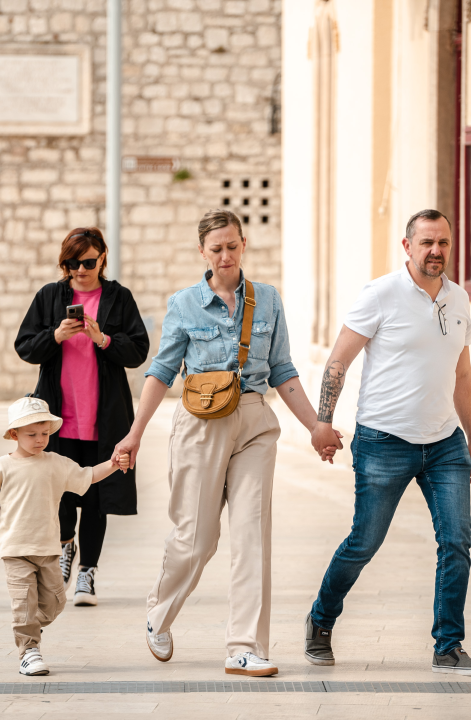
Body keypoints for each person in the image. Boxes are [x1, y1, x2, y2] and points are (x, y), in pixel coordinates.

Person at [112, 209, 335, 678]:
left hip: (255, 423)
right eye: (217, 249)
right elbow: (160, 372)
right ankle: (160, 611)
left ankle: (244, 646)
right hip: (200, 422)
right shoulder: (184, 304)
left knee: (252, 534)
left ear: (244, 244)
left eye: (233, 245)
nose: (226, 255)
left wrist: (316, 425)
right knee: (196, 538)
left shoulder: (267, 300)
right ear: (203, 252)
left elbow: (284, 370)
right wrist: (135, 433)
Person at [304, 209, 471, 676]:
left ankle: (448, 646)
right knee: (364, 542)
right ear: (407, 246)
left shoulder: (459, 299)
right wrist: (322, 423)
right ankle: (321, 619)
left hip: (444, 442)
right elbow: (337, 363)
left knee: (456, 542)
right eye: (427, 242)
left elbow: (463, 375)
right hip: (384, 441)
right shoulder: (381, 294)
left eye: (443, 243)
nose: (436, 251)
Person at [14, 227, 149, 606]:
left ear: (102, 258)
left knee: (95, 495)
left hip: (102, 417)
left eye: (88, 262)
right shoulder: (50, 297)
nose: (80, 270)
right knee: (57, 492)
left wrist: (102, 339)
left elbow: (138, 350)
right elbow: (24, 345)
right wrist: (55, 336)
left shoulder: (118, 298)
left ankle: (87, 572)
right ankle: (65, 546)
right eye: (72, 264)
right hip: (56, 418)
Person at [0, 397, 129, 676]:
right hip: (15, 550)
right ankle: (28, 650)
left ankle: (25, 625)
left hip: (48, 550)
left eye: (45, 434)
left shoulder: (55, 463)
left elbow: (88, 475)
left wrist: (111, 464)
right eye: (32, 434)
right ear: (14, 434)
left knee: (55, 602)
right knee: (24, 602)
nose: (40, 440)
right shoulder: (2, 466)